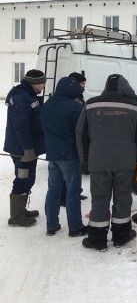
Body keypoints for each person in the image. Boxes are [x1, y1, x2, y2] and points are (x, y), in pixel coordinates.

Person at [76, 74, 137, 251]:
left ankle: (97, 239)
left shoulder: (91, 104)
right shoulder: (134, 106)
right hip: (126, 162)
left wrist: (84, 160)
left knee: (99, 200)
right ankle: (121, 236)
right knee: (123, 200)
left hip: (99, 161)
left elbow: (81, 134)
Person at [42, 76, 87, 237]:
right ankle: (75, 227)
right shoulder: (74, 107)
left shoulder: (47, 105)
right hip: (69, 155)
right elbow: (81, 133)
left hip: (52, 154)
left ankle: (51, 225)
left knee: (53, 190)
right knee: (72, 191)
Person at [4, 69, 46, 227]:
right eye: (42, 82)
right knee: (22, 179)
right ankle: (16, 217)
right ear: (34, 83)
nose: (44, 85)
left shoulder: (28, 95)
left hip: (28, 148)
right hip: (22, 150)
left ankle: (21, 210)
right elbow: (21, 127)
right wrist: (27, 149)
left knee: (29, 178)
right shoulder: (21, 98)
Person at [60, 72, 88, 207]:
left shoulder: (79, 98)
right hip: (70, 140)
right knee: (69, 172)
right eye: (82, 84)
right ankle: (65, 196)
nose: (84, 87)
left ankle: (76, 191)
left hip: (76, 139)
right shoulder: (72, 100)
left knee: (76, 168)